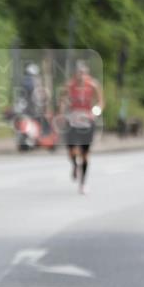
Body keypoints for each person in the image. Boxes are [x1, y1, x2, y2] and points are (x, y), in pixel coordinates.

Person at [58, 60, 104, 193]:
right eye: (79, 73)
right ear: (75, 74)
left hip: (87, 121)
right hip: (73, 120)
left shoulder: (93, 85)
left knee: (85, 154)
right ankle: (74, 165)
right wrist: (62, 114)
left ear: (87, 74)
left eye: (84, 73)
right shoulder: (69, 85)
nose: (81, 76)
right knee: (71, 151)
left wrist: (95, 112)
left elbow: (101, 102)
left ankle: (83, 183)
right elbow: (62, 101)